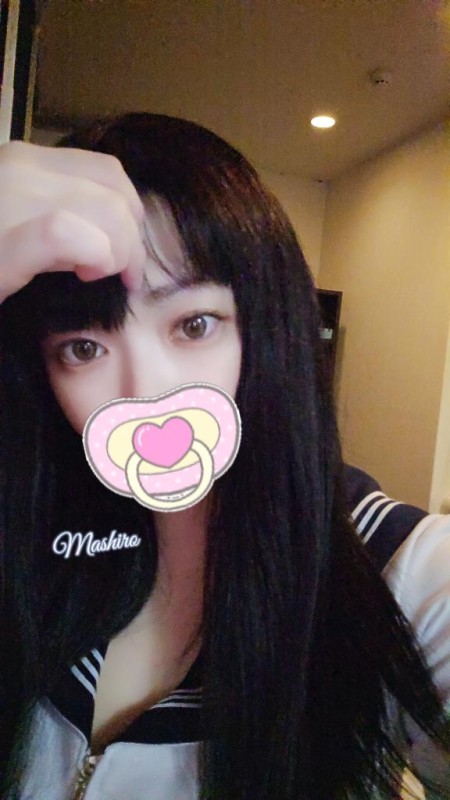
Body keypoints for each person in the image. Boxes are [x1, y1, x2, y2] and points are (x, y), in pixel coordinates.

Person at [0, 114, 449, 800]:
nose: (147, 397)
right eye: (83, 348)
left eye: (194, 324)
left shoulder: (392, 565)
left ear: (266, 332)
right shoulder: (28, 530)